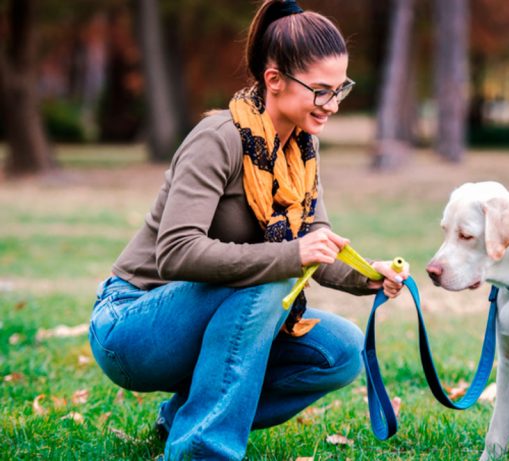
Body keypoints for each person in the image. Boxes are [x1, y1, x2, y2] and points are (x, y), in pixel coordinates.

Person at [88, 1, 408, 459]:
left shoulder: (301, 148)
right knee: (272, 276)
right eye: (321, 90)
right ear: (274, 79)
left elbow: (314, 240)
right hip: (132, 325)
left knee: (341, 350)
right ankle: (203, 449)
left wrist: (369, 275)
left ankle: (181, 417)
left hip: (214, 316)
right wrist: (290, 257)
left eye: (341, 89)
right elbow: (176, 253)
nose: (333, 104)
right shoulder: (218, 138)